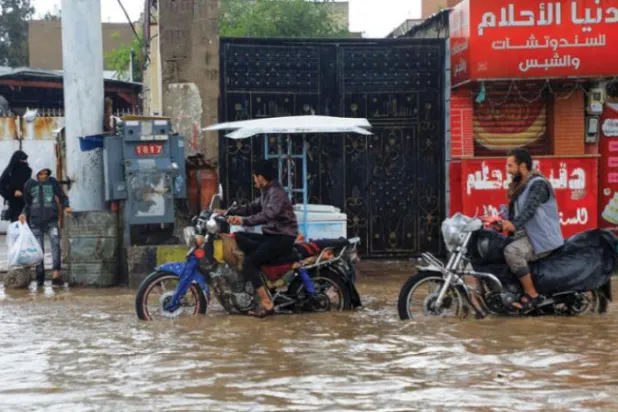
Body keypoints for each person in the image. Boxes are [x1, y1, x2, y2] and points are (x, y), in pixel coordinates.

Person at [222, 159, 299, 318]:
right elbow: (252, 207)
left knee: (250, 262)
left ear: (262, 177)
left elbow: (268, 215)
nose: (254, 180)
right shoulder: (267, 192)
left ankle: (266, 302)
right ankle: (253, 285)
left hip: (282, 238)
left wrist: (244, 221)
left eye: (255, 176)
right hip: (272, 235)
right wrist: (228, 212)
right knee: (238, 237)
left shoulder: (276, 193)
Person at [500, 148, 564, 311]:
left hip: (542, 238)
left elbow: (529, 210)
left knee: (512, 251)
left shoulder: (538, 184)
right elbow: (517, 214)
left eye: (510, 166)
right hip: (527, 235)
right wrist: (501, 222)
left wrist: (513, 225)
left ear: (522, 166)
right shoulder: (521, 185)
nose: (508, 170)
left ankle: (532, 294)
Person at [19, 161, 72, 287]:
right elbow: (27, 203)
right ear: (36, 173)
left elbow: (62, 197)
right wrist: (23, 213)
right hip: (35, 222)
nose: (44, 176)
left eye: (46, 173)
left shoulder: (52, 182)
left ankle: (56, 274)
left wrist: (66, 207)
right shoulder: (29, 184)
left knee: (55, 245)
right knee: (38, 250)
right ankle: (40, 277)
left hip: (52, 220)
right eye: (41, 173)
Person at [0, 151, 32, 222]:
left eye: (25, 160)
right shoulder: (9, 172)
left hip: (26, 203)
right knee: (16, 226)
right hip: (14, 204)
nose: (24, 162)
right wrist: (12, 193)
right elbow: (1, 186)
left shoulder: (28, 170)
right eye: (22, 160)